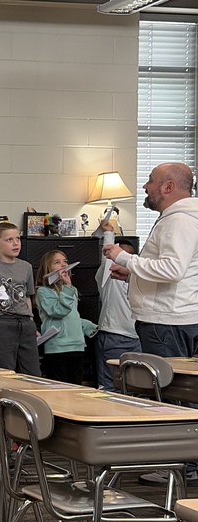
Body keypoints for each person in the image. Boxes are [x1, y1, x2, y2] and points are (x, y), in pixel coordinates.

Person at [103, 162, 198, 487]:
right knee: (181, 395)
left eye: (150, 181)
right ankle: (184, 464)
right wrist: (134, 274)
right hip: (177, 317)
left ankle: (179, 466)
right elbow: (178, 273)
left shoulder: (180, 220)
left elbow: (171, 269)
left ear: (169, 186)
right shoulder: (183, 218)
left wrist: (124, 258)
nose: (145, 186)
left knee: (171, 397)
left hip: (167, 322)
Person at [0, 222, 41, 376]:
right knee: (5, 371)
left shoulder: (26, 267)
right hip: (1, 321)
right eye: (9, 240)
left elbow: (27, 296)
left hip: (24, 322)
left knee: (32, 372)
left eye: (17, 239)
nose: (15, 243)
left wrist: (30, 320)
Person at [34, 250, 97, 385]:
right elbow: (58, 312)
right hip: (58, 347)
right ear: (47, 268)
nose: (63, 265)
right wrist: (68, 288)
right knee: (60, 387)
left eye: (65, 262)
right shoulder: (43, 291)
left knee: (76, 386)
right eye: (57, 262)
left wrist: (88, 327)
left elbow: (72, 315)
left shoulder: (70, 290)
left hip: (77, 346)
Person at [93, 222, 140, 392]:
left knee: (136, 387)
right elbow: (107, 257)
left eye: (129, 256)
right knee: (111, 387)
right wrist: (109, 234)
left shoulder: (137, 278)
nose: (124, 259)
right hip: (114, 336)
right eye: (120, 255)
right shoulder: (108, 277)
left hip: (137, 338)